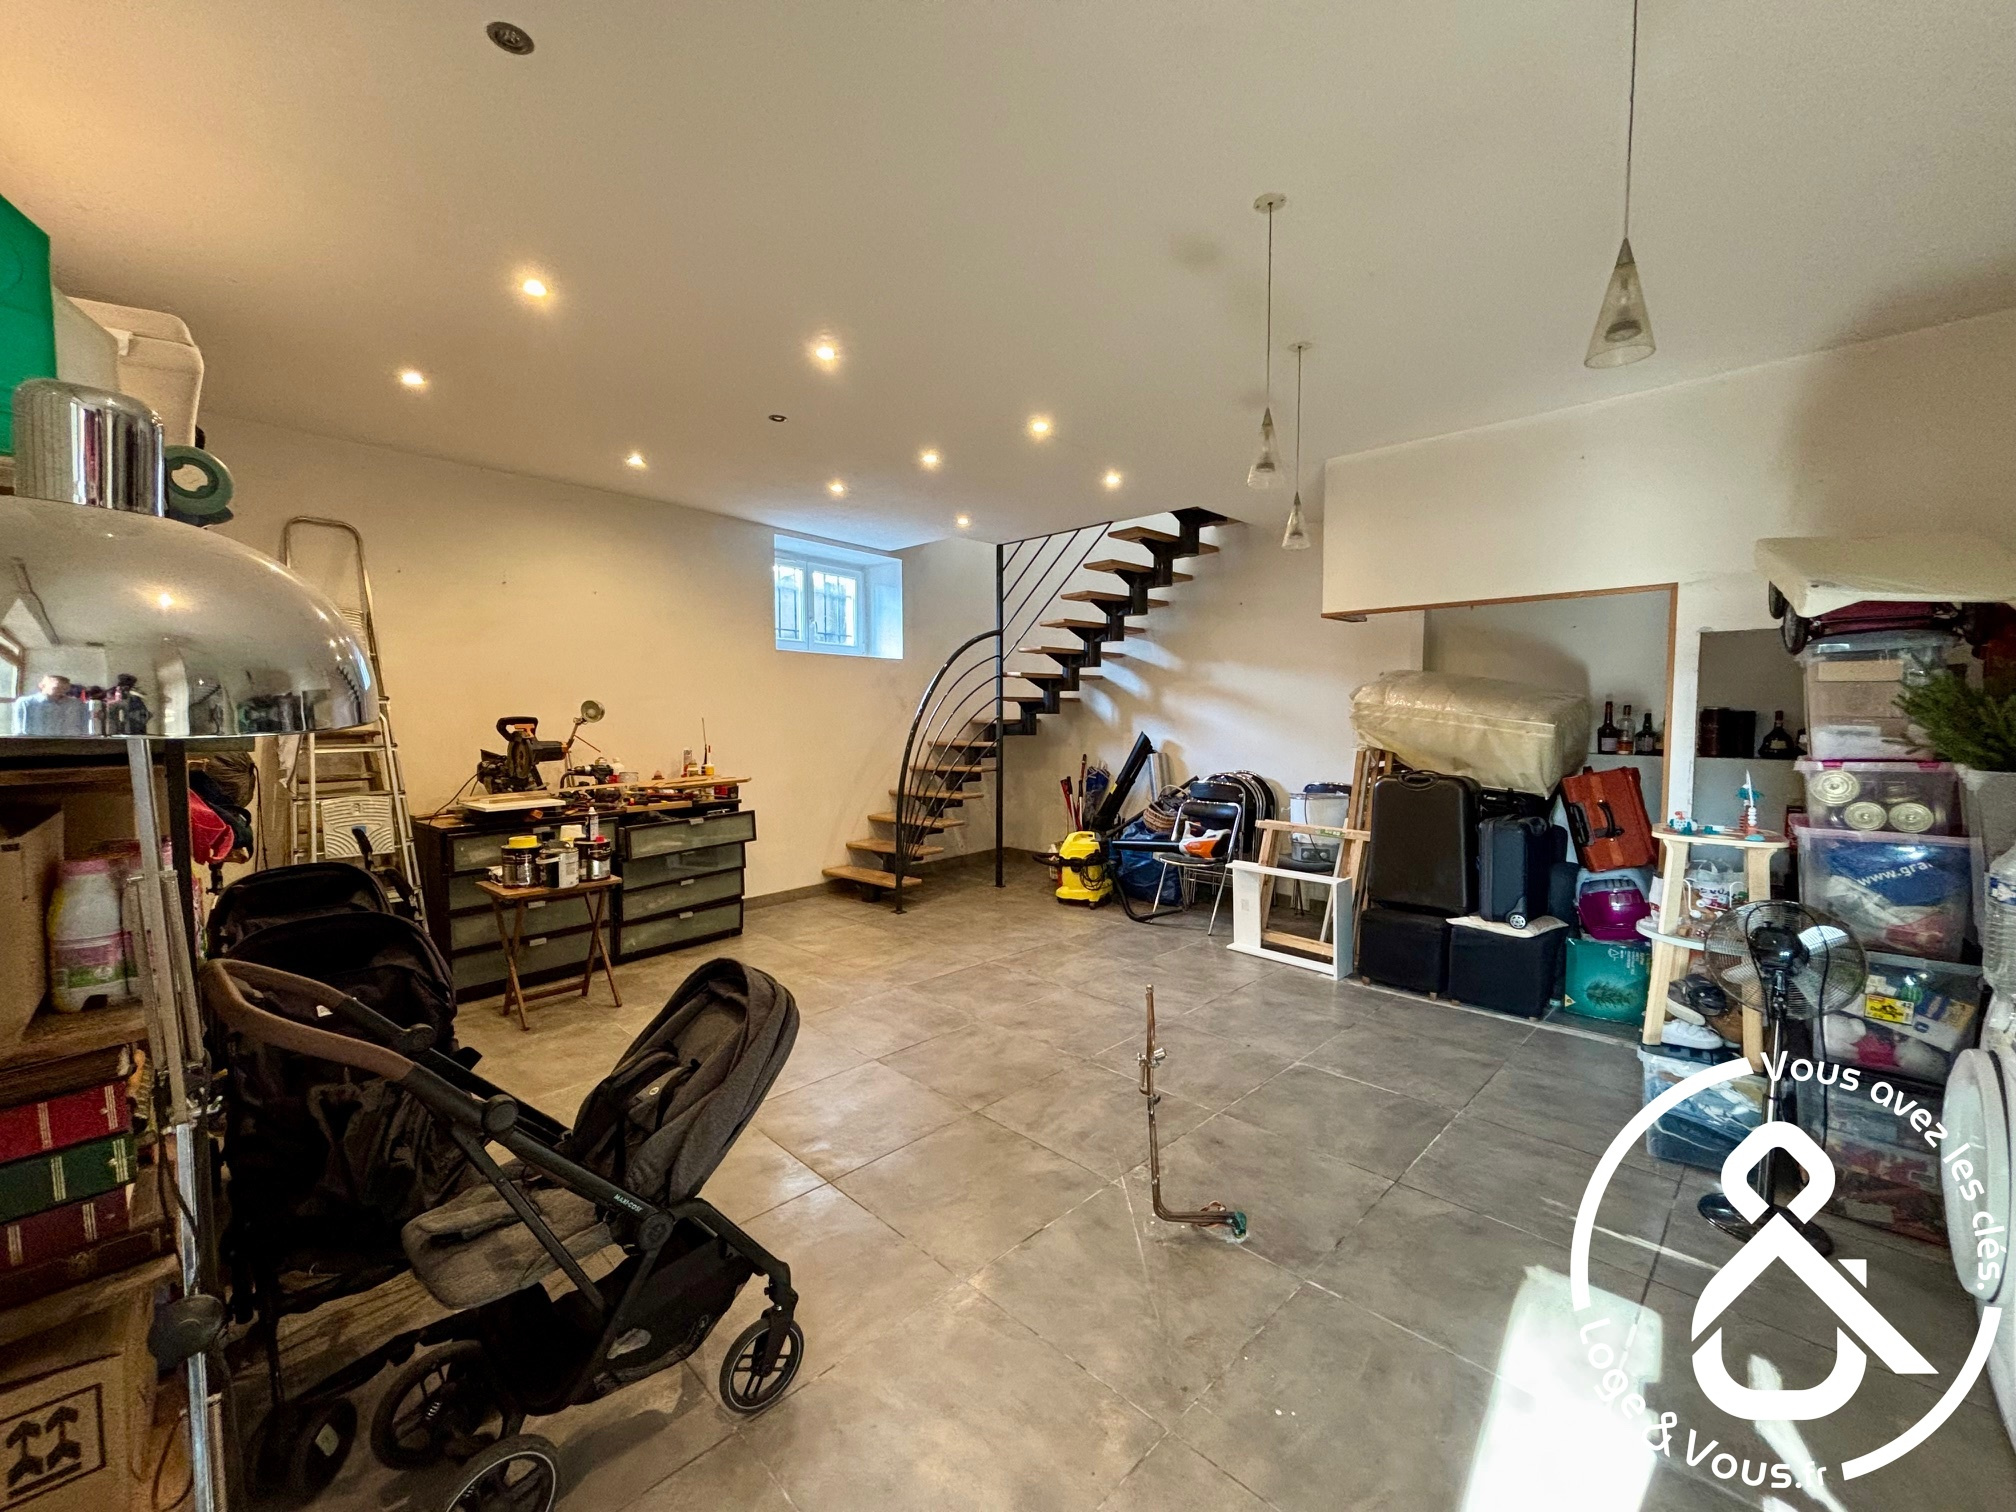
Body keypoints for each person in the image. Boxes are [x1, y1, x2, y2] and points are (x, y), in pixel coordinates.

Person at [16, 674, 86, 736]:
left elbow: (83, 726)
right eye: (56, 688)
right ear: (42, 686)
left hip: (69, 743)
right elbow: (20, 728)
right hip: (36, 743)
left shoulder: (76, 704)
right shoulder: (26, 703)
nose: (62, 691)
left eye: (65, 689)